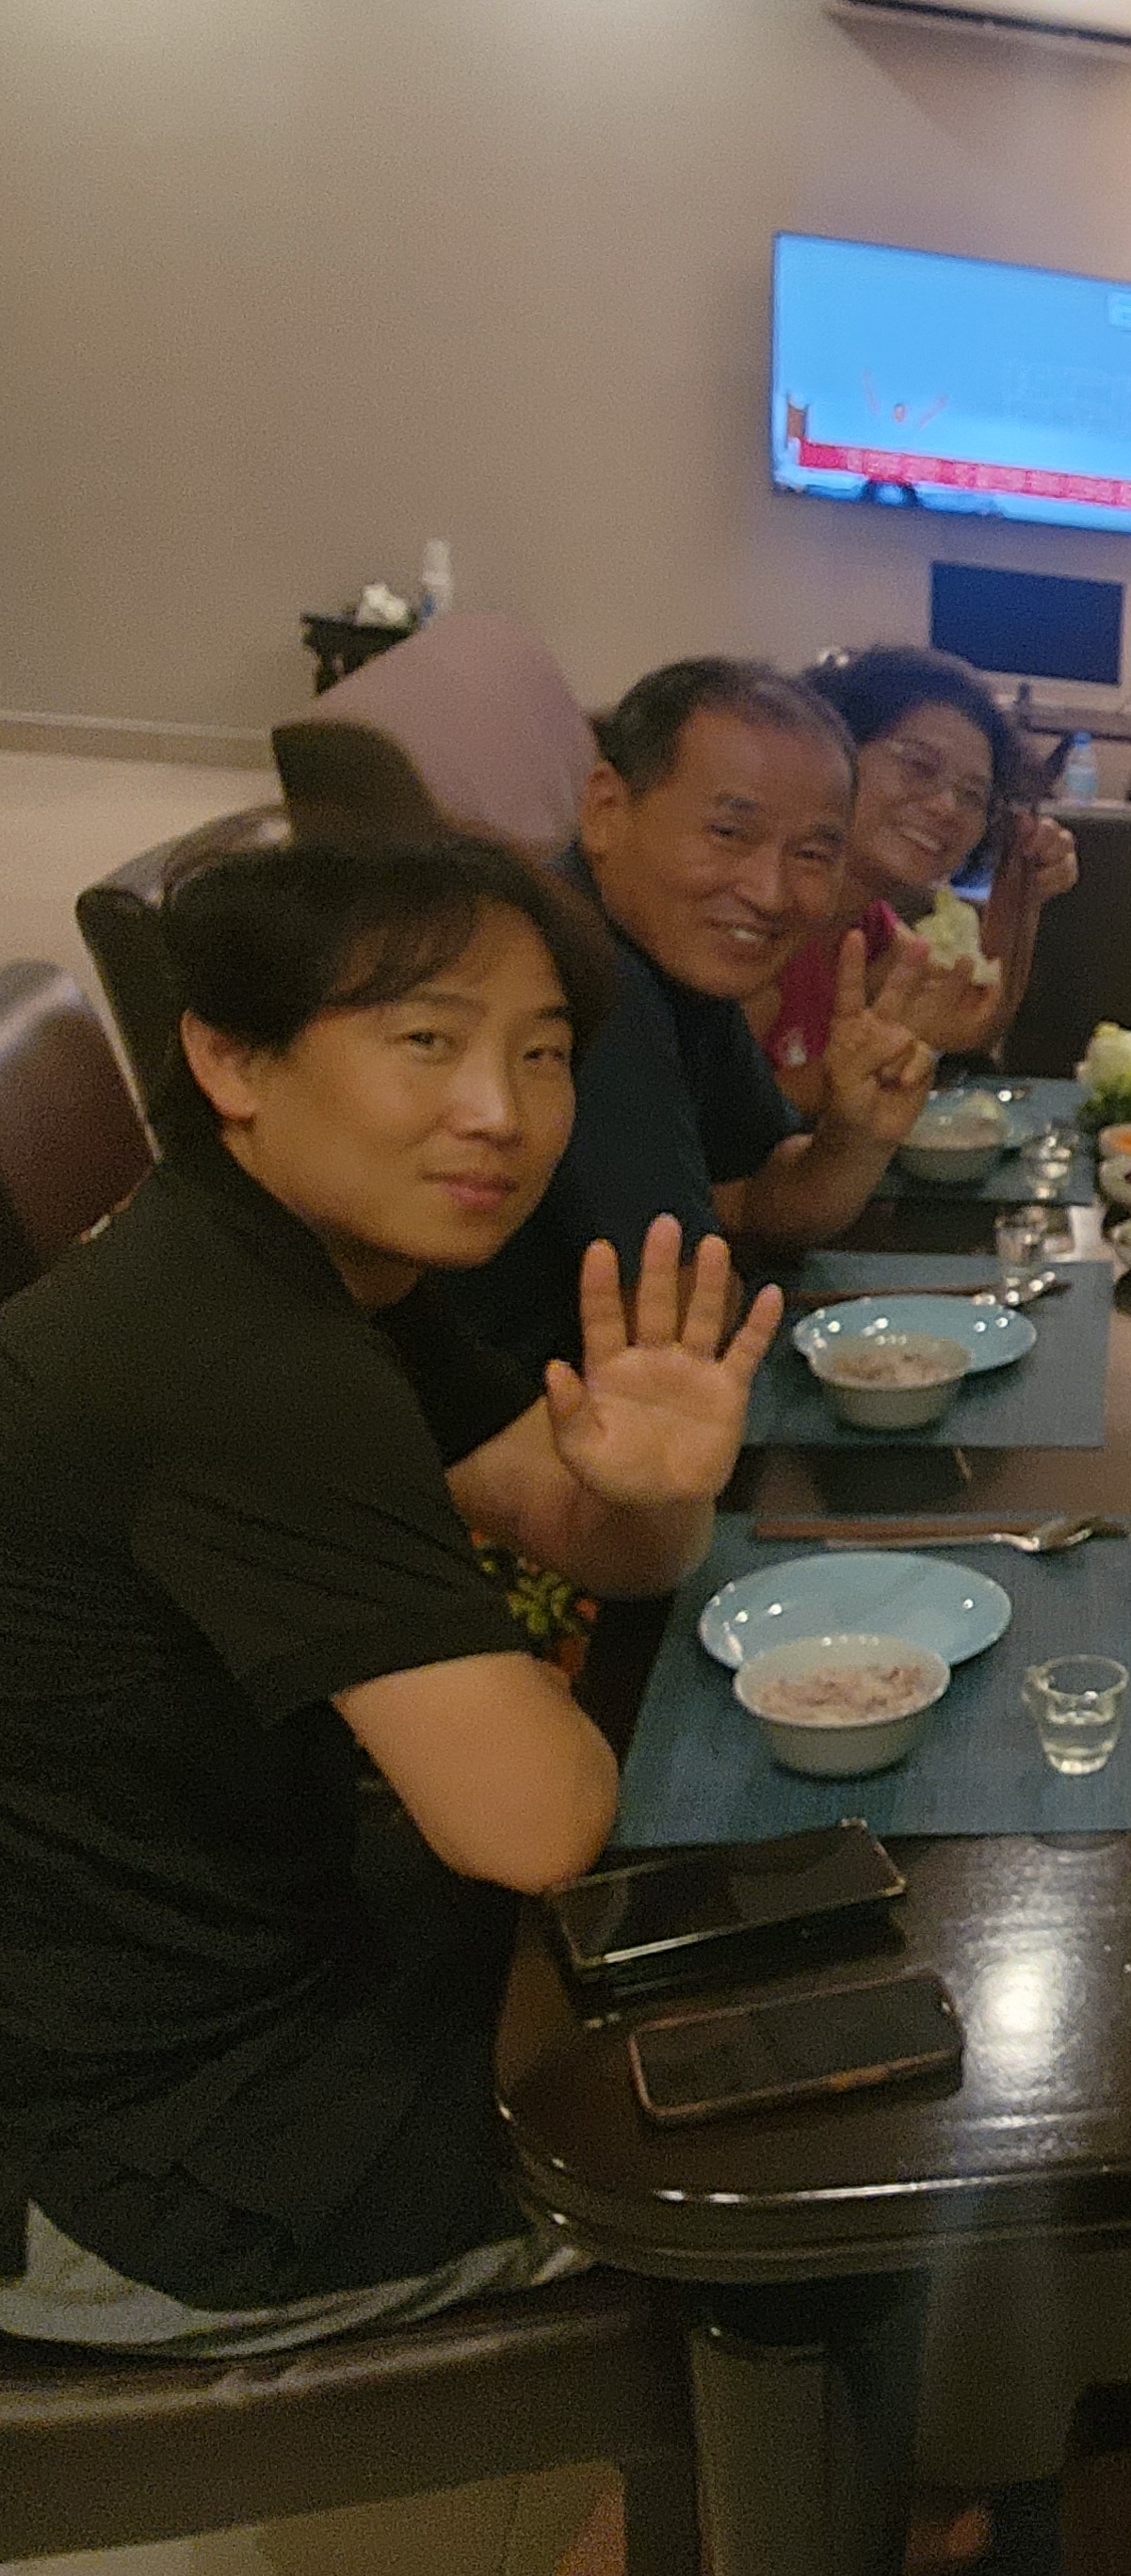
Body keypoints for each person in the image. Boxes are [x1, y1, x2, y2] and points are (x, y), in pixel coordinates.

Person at [0, 832, 776, 2354]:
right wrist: (521, 1689)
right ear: (230, 1057)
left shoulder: (300, 1255)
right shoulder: (239, 1360)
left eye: (541, 1055)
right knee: (808, 2162)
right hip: (158, 2159)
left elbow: (597, 1542)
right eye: (427, 1041)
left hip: (281, 1952)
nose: (500, 1112)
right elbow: (533, 1824)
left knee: (796, 1955)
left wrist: (652, 1486)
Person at [456, 656, 964, 1367]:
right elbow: (672, 1321)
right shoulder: (571, 968)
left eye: (811, 854)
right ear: (605, 810)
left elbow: (754, 1198)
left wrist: (857, 1135)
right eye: (728, 832)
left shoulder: (674, 959)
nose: (769, 891)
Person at [752, 644, 1081, 1113]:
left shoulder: (866, 923)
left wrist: (1021, 895)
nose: (947, 807)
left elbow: (969, 1019)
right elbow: (724, 1120)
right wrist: (891, 1048)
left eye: (972, 795)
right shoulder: (759, 910)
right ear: (832, 748)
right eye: (918, 765)